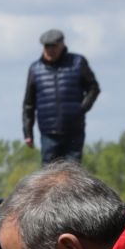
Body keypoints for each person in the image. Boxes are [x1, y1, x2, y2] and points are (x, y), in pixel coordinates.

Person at [23, 29, 101, 165]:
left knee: (74, 174)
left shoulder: (77, 62)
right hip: (48, 133)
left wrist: (81, 109)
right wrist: (28, 133)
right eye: (47, 47)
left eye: (53, 46)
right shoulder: (35, 69)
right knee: (48, 176)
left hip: (74, 130)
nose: (50, 50)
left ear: (62, 45)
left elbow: (93, 88)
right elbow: (29, 104)